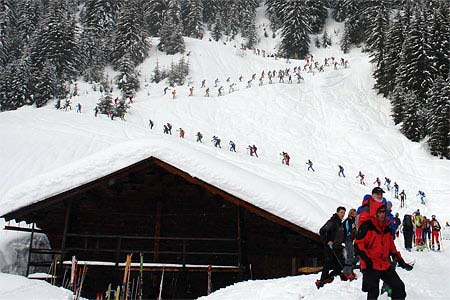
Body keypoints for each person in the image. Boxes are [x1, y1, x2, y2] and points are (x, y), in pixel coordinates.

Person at [355, 202, 413, 300]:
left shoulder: (386, 229)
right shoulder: (368, 226)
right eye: (380, 212)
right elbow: (358, 244)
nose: (382, 214)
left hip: (383, 264)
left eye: (384, 212)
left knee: (399, 287)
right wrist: (367, 260)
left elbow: (392, 249)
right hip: (371, 264)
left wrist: (402, 262)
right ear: (375, 213)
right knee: (373, 291)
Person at [316, 206, 346, 289]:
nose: (342, 214)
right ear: (337, 212)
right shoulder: (332, 221)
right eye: (341, 212)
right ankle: (322, 280)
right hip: (330, 247)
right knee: (328, 263)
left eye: (343, 213)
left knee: (340, 264)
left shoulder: (340, 222)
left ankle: (329, 277)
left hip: (337, 247)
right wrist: (327, 241)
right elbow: (322, 231)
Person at [341, 208, 357, 281]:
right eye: (353, 213)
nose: (355, 214)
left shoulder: (353, 220)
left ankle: (349, 271)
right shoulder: (348, 220)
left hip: (351, 240)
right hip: (348, 239)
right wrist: (350, 234)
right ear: (350, 213)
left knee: (352, 254)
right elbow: (348, 230)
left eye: (355, 213)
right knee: (350, 255)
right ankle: (347, 272)